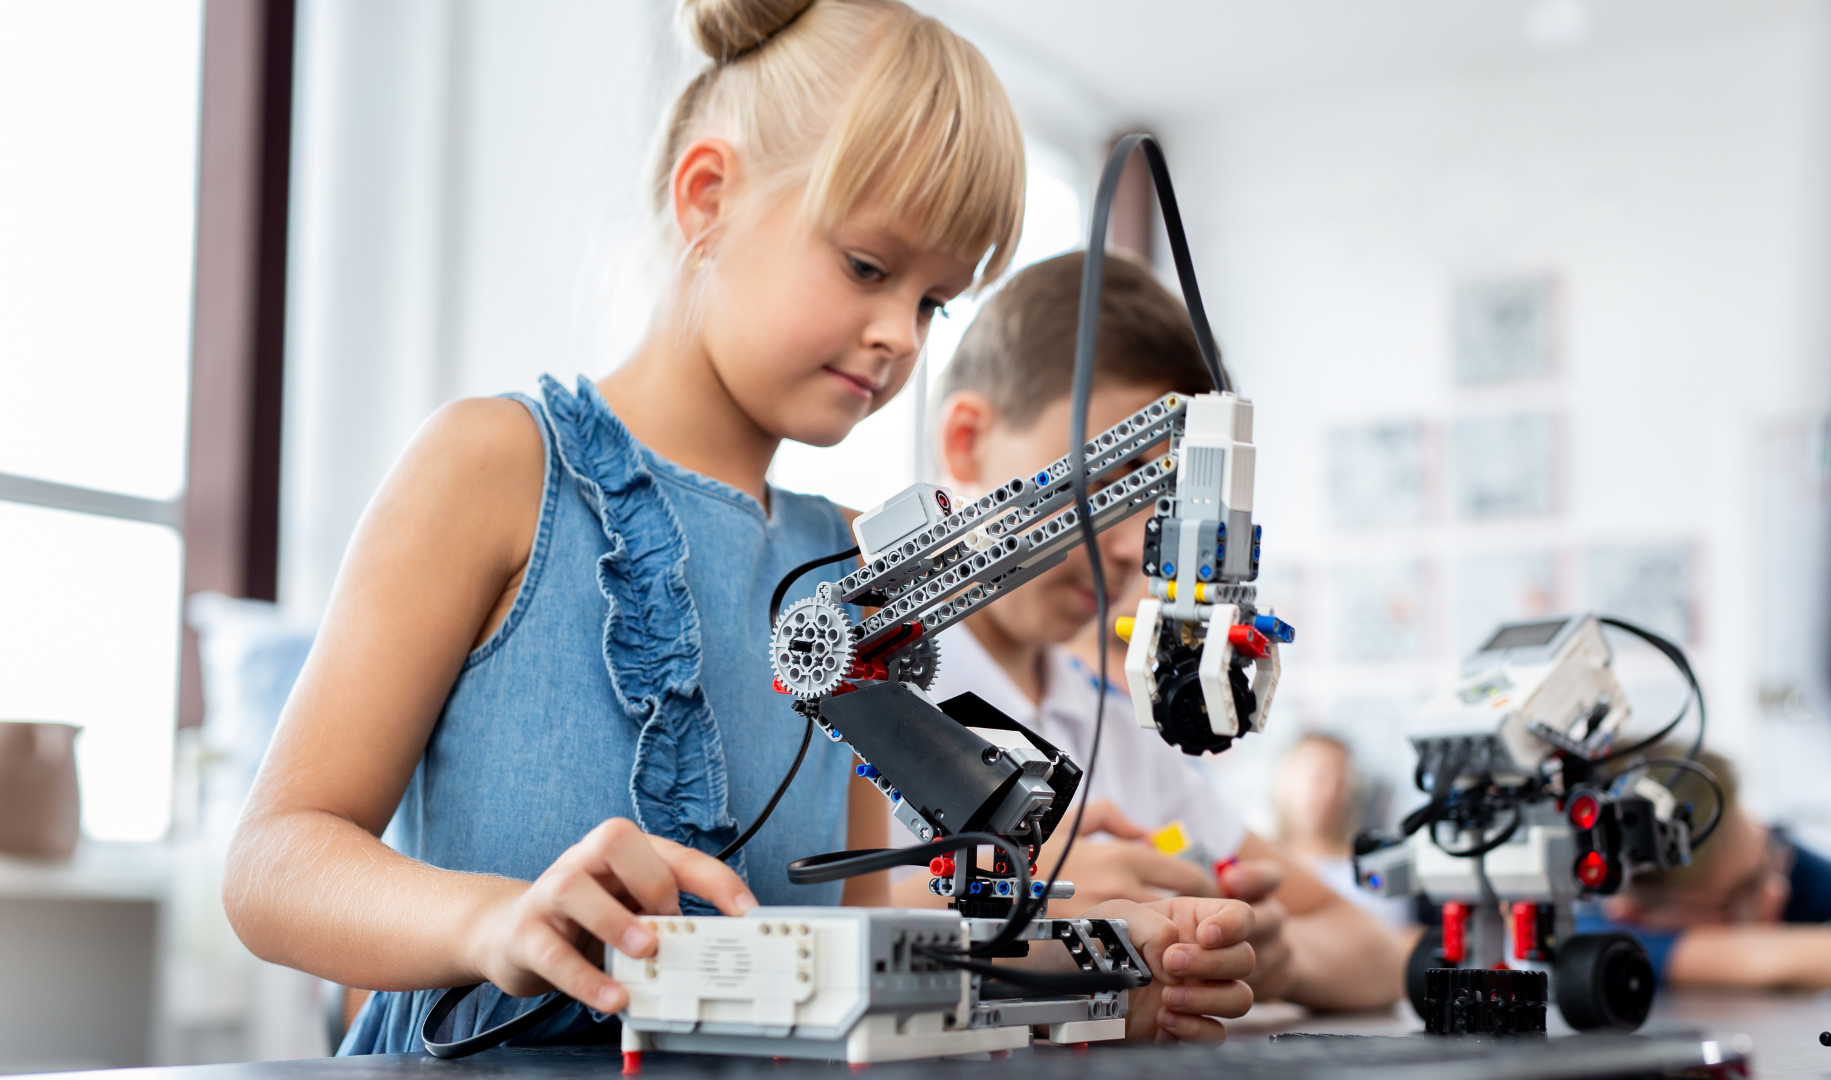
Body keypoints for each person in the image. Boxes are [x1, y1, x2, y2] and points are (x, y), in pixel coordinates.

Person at [223, 0, 1256, 1054]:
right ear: (707, 197)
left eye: (934, 303)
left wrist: (1088, 967)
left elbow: (852, 941)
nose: (901, 337)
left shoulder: (849, 565)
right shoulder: (494, 466)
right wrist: (494, 922)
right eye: (868, 267)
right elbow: (272, 866)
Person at [889, 250, 1404, 1011]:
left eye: (1158, 504)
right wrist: (1016, 897)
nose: (1135, 548)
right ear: (966, 441)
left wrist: (1276, 957)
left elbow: (1370, 950)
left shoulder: (1113, 725)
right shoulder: (861, 694)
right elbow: (773, 915)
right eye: (1105, 481)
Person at [1581, 748, 1831, 993]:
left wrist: (1768, 863)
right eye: (1742, 896)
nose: (1777, 891)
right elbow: (1775, 960)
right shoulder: (1597, 936)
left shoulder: (1767, 858)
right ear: (1634, 915)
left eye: (1770, 854)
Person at [1270, 732, 1414, 933]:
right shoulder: (1262, 865)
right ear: (1286, 780)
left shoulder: (1379, 868)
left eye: (1340, 781)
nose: (1329, 792)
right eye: (1318, 777)